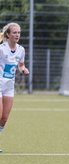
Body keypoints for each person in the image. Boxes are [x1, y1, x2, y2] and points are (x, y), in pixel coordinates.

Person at [0, 23, 29, 152]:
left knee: (4, 118)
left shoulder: (21, 50)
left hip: (9, 87)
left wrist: (23, 69)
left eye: (19, 32)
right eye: (14, 32)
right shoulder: (1, 49)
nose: (17, 35)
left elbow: (21, 65)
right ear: (8, 34)